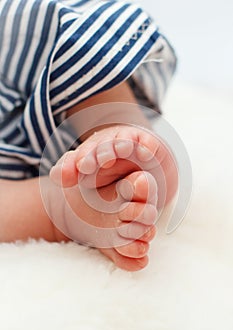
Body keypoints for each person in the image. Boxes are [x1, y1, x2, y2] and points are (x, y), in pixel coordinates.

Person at [0, 0, 178, 271]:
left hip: (42, 60)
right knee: (74, 61)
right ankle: (66, 207)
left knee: (75, 60)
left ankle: (123, 137)